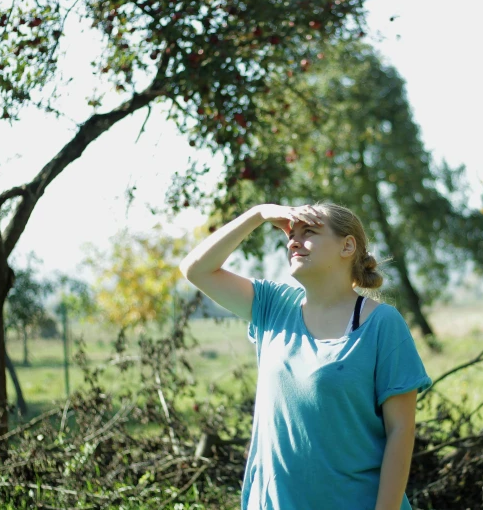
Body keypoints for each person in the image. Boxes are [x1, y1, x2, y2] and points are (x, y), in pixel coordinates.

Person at [179, 202, 432, 510]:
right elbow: (196, 269)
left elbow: (401, 431)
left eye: (309, 231)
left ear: (347, 246)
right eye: (290, 234)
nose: (293, 241)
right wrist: (258, 214)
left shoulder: (383, 324)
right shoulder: (272, 306)